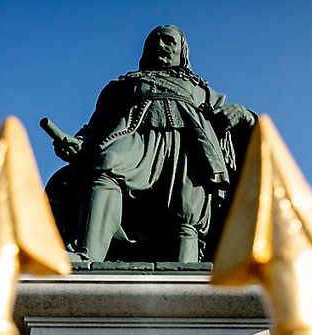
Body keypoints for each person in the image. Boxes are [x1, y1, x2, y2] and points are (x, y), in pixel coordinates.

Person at [46, 25, 256, 263]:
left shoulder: (201, 88)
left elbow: (242, 119)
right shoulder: (122, 86)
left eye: (168, 41)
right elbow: (95, 127)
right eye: (154, 41)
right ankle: (88, 254)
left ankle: (186, 268)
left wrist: (243, 113)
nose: (160, 45)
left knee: (188, 205)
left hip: (189, 145)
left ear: (182, 52)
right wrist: (78, 143)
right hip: (135, 139)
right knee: (106, 165)